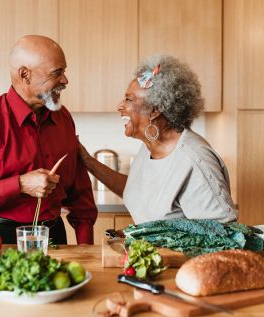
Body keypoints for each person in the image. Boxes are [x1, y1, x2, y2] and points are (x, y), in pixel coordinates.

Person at [0, 35, 97, 244]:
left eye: (64, 71)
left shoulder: (64, 119)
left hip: (54, 237)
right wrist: (20, 184)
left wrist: (85, 245)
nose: (65, 80)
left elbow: (79, 193)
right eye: (57, 73)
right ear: (25, 74)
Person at [79, 55, 237, 225]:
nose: (120, 106)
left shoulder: (194, 160)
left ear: (155, 110)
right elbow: (135, 189)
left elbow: (225, 234)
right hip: (157, 252)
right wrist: (88, 161)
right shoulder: (149, 147)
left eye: (129, 99)